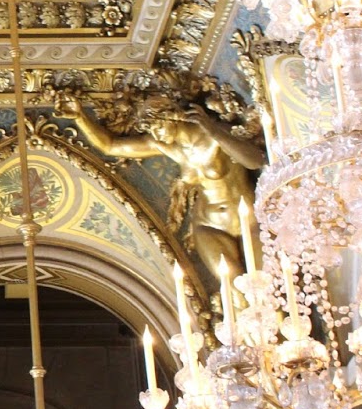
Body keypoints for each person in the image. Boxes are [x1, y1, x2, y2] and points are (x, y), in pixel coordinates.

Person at [56, 92, 263, 288]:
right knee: (236, 292)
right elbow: (111, 146)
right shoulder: (166, 146)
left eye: (158, 126)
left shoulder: (214, 135)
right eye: (151, 129)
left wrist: (214, 131)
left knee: (264, 284)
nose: (155, 134)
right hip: (208, 225)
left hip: (250, 219)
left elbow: (255, 161)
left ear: (173, 116)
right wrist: (80, 116)